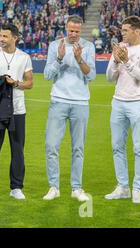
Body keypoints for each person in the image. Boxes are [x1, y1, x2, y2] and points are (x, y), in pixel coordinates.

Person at [105, 16, 140, 204]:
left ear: (137, 31)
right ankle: (123, 187)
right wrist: (116, 61)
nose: (122, 33)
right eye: (122, 30)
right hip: (118, 101)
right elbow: (109, 77)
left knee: (139, 147)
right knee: (117, 146)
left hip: (139, 102)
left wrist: (127, 61)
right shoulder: (120, 46)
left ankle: (137, 189)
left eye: (126, 30)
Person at [43, 15, 96, 201]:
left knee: (78, 148)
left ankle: (76, 188)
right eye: (71, 30)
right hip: (58, 100)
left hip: (80, 102)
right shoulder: (54, 46)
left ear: (80, 30)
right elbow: (47, 75)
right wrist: (59, 57)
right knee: (51, 146)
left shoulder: (88, 47)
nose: (73, 34)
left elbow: (92, 76)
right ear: (66, 28)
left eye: (77, 31)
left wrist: (79, 59)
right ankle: (54, 187)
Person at [0, 24, 33, 200]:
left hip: (18, 110)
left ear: (15, 38)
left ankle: (16, 187)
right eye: (0, 36)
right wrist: (2, 81)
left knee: (17, 149)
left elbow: (30, 82)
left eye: (5, 36)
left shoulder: (24, 57)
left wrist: (15, 83)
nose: (1, 39)